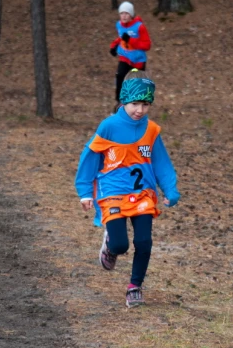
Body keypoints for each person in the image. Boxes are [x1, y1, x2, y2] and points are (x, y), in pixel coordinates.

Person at [74, 69, 180, 308]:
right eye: (134, 103)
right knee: (121, 244)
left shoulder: (152, 130)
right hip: (112, 193)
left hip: (143, 193)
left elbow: (161, 162)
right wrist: (84, 192)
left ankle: (135, 286)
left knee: (144, 242)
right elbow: (89, 158)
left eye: (145, 104)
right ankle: (111, 245)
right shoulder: (109, 126)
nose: (139, 110)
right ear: (124, 100)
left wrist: (170, 190)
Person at [109, 1, 151, 112]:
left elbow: (147, 45)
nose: (124, 16)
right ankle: (119, 103)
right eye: (121, 13)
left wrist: (131, 41)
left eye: (126, 13)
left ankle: (137, 109)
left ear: (131, 15)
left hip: (138, 61)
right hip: (125, 58)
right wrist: (114, 45)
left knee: (135, 84)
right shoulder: (119, 25)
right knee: (120, 76)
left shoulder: (139, 27)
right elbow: (121, 37)